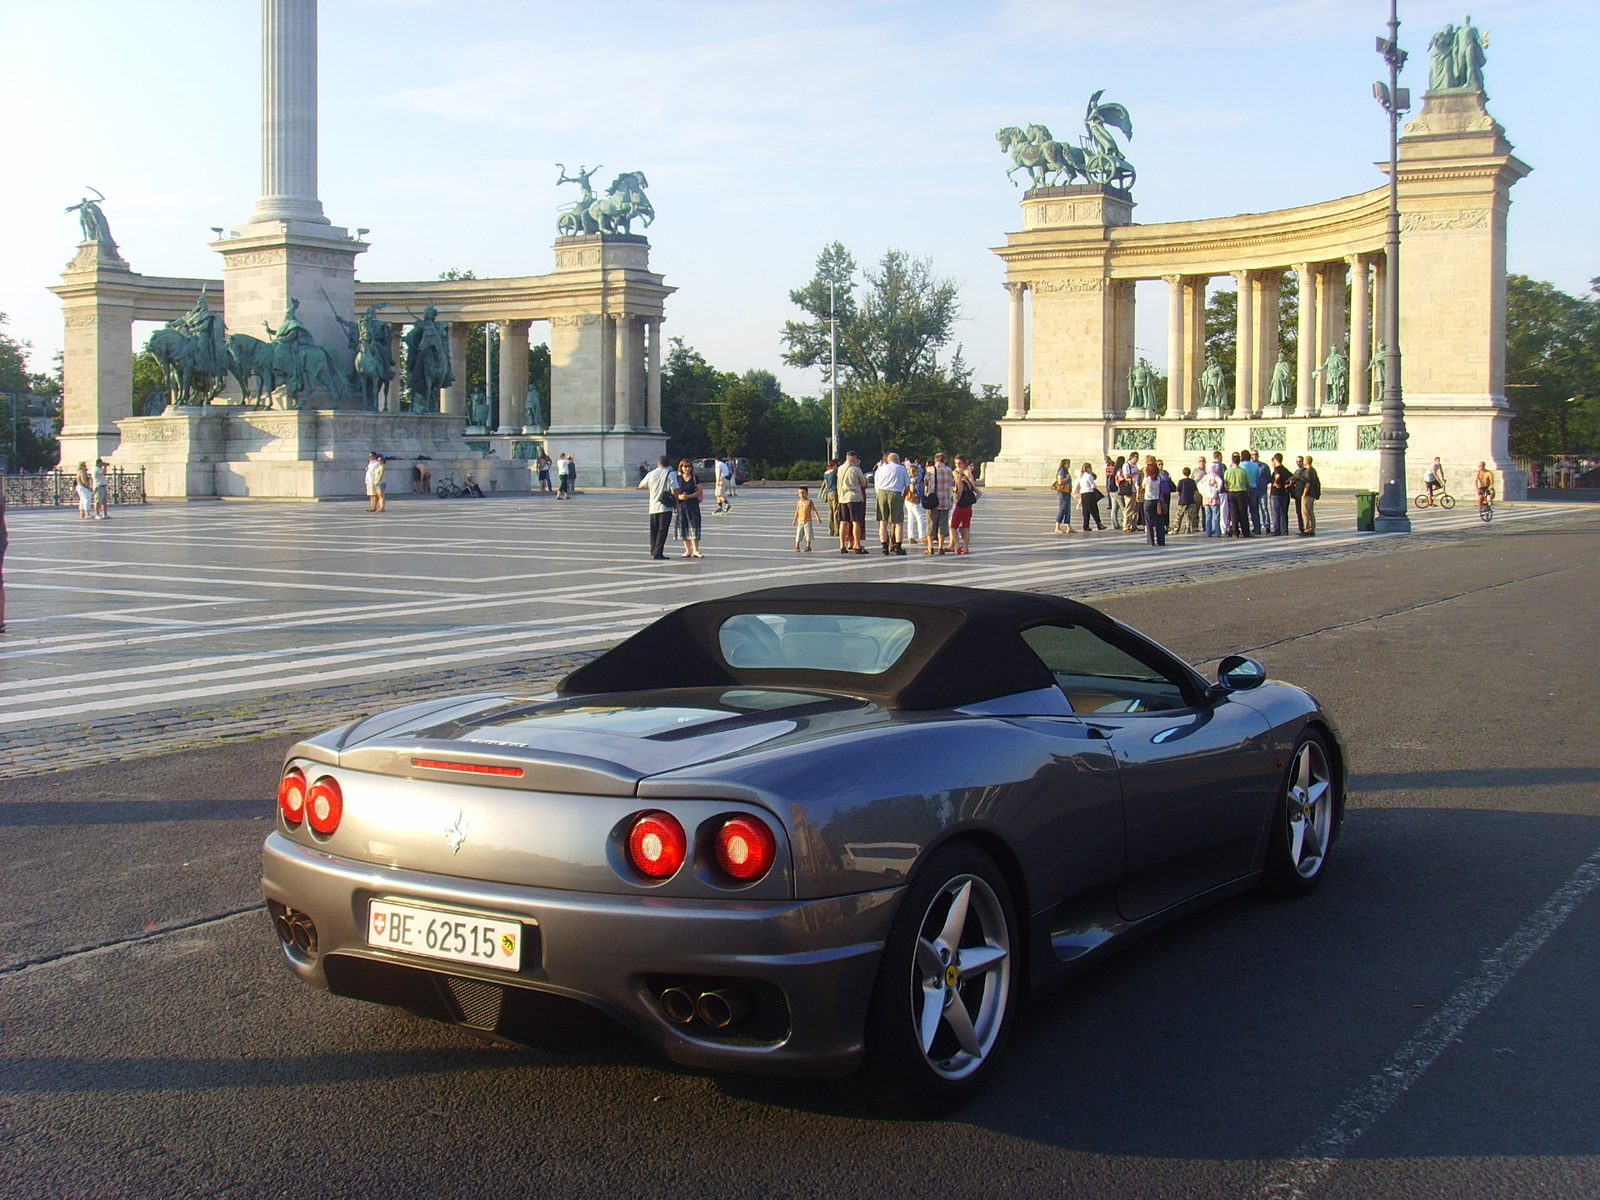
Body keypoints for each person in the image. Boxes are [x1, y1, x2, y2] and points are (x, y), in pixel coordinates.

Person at [639, 454, 676, 559]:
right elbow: (674, 490)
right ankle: (658, 552)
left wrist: (652, 488)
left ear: (658, 463)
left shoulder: (651, 473)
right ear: (668, 464)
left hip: (653, 506)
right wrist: (676, 504)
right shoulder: (670, 474)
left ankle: (653, 551)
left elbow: (641, 485)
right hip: (665, 506)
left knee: (654, 530)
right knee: (662, 530)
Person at [874, 452, 909, 554]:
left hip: (882, 493)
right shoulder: (901, 468)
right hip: (895, 493)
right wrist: (903, 497)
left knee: (882, 522)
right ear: (897, 460)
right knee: (898, 522)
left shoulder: (880, 469)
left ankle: (884, 546)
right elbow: (907, 486)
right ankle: (897, 546)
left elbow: (877, 485)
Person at [835, 450, 867, 554]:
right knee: (856, 522)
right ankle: (857, 544)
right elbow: (863, 483)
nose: (857, 460)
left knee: (843, 522)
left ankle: (842, 545)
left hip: (842, 498)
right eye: (856, 458)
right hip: (854, 498)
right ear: (852, 457)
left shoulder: (840, 469)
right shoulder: (855, 469)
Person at [672, 458, 703, 558]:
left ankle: (696, 550)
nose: (687, 468)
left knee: (694, 527)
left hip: (693, 506)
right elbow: (673, 491)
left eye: (689, 466)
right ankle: (687, 551)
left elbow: (700, 491)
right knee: (683, 527)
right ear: (681, 467)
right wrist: (679, 497)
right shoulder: (678, 478)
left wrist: (690, 496)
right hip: (682, 506)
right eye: (685, 466)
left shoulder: (695, 478)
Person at [951, 456, 981, 553]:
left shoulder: (959, 482)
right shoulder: (968, 481)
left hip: (960, 507)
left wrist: (956, 500)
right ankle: (966, 547)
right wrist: (973, 500)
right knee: (966, 527)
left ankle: (957, 546)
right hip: (968, 508)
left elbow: (959, 492)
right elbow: (979, 493)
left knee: (953, 527)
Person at [926, 451, 954, 555]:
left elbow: (925, 482)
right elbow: (951, 482)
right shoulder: (949, 470)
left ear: (935, 460)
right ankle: (941, 546)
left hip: (933, 501)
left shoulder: (931, 470)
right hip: (945, 500)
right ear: (945, 460)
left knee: (931, 524)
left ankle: (930, 547)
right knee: (942, 524)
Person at [1223, 453, 1252, 537]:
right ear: (1239, 461)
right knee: (1243, 512)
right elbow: (1247, 483)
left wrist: (1228, 489)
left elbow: (1225, 483)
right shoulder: (1243, 471)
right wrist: (1247, 491)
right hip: (1241, 492)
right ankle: (1245, 532)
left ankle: (1235, 532)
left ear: (1232, 461)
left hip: (1231, 492)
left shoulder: (1228, 471)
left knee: (1233, 513)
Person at [904, 457, 928, 547]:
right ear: (913, 472)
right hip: (913, 500)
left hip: (908, 500)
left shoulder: (909, 478)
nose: (918, 473)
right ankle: (922, 535)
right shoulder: (913, 479)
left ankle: (911, 536)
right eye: (916, 472)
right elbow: (912, 489)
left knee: (911, 518)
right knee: (920, 517)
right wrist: (913, 484)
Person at [1269, 453, 1293, 536]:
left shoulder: (1277, 470)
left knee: (1276, 512)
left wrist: (1276, 482)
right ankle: (1284, 530)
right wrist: (1288, 485)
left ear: (1275, 460)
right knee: (1283, 512)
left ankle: (1276, 529)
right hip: (1284, 493)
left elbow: (1277, 476)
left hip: (1276, 493)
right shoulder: (1285, 470)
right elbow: (1293, 477)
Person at [1246, 450, 1268, 535]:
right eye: (1252, 455)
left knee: (1264, 508)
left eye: (1256, 454)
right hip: (1253, 489)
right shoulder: (1249, 465)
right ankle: (1256, 526)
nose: (1254, 456)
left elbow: (1268, 477)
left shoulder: (1264, 466)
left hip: (1262, 490)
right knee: (1253, 510)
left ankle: (1267, 525)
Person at [1078, 462, 1105, 531]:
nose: (1091, 469)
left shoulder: (1081, 476)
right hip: (1089, 493)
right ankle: (1099, 524)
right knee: (1094, 510)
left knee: (1086, 511)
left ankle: (1086, 525)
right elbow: (1093, 485)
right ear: (1087, 468)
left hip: (1083, 493)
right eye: (1090, 467)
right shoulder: (1088, 476)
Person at [821, 459, 842, 546]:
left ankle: (831, 530)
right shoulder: (835, 472)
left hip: (829, 492)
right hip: (835, 492)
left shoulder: (826, 473)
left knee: (830, 512)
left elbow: (826, 484)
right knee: (836, 511)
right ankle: (837, 530)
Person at [1199, 463, 1224, 536]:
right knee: (1216, 516)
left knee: (1208, 516)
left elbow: (1200, 485)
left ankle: (1208, 532)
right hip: (1214, 499)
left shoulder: (1205, 477)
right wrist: (1217, 489)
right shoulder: (1215, 476)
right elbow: (1220, 482)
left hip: (1206, 499)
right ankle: (1217, 531)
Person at [792, 486, 819, 552]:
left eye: (803, 493)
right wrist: (794, 520)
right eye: (799, 493)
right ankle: (797, 546)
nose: (801, 495)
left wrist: (818, 518)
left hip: (808, 520)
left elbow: (814, 510)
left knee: (808, 534)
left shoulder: (809, 501)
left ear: (807, 493)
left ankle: (808, 546)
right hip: (800, 520)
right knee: (799, 534)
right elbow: (797, 511)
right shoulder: (799, 502)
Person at [1174, 467, 1199, 533]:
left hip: (1182, 500)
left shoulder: (1181, 481)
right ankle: (1187, 528)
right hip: (1191, 500)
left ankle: (1176, 529)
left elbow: (1178, 492)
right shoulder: (1192, 481)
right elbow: (1195, 491)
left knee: (1179, 516)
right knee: (1189, 516)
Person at [1301, 454, 1322, 535]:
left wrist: (1304, 494)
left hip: (1308, 494)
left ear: (1307, 461)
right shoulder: (1313, 470)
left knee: (1305, 512)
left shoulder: (1309, 471)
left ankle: (1307, 529)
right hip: (1313, 494)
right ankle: (1312, 528)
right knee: (1310, 512)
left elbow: (1308, 484)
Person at [1053, 458, 1074, 534]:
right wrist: (1067, 478)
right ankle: (1057, 527)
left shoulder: (1066, 471)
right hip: (1062, 492)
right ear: (1063, 464)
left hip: (1067, 492)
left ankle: (1069, 527)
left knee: (1067, 509)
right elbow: (1060, 481)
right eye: (1067, 463)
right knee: (1062, 508)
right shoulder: (1062, 471)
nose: (1069, 465)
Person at [1290, 456, 1309, 534]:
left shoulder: (1306, 471)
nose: (1298, 463)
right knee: (1298, 511)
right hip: (1297, 493)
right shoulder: (1297, 471)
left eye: (1300, 461)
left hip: (1302, 493)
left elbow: (1307, 481)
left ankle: (1306, 527)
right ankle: (1300, 527)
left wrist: (1300, 478)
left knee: (1304, 512)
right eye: (1297, 461)